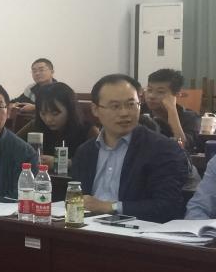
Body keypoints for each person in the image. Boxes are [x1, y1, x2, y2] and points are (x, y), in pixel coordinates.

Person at [69, 74, 187, 222]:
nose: (124, 113)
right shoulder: (85, 151)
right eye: (115, 106)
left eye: (131, 104)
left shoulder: (162, 149)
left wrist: (110, 207)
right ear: (95, 109)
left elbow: (168, 206)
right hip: (86, 227)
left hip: (136, 231)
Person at [16, 82, 94, 168]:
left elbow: (96, 162)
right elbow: (12, 145)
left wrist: (67, 163)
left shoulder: (87, 130)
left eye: (55, 114)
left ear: (70, 110)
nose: (48, 119)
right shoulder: (36, 125)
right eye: (43, 113)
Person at [142, 68, 200, 153]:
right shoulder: (140, 111)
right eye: (149, 90)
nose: (151, 96)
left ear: (176, 95)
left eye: (160, 92)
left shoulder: (190, 117)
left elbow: (182, 146)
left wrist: (172, 111)